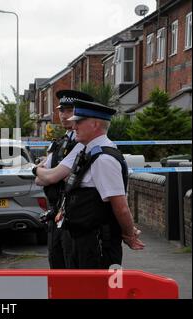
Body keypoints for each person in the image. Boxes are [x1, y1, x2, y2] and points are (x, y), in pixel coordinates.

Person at [57, 99, 144, 269]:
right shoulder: (90, 152)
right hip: (84, 240)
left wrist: (128, 235)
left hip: (98, 244)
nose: (74, 127)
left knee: (100, 291)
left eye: (79, 122)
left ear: (95, 124)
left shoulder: (104, 159)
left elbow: (121, 207)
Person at [36, 90, 94, 269]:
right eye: (61, 110)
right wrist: (43, 173)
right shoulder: (59, 142)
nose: (63, 115)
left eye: (69, 110)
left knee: (72, 268)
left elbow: (50, 176)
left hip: (73, 215)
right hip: (56, 212)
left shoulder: (83, 144)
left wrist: (39, 171)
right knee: (56, 264)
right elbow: (40, 180)